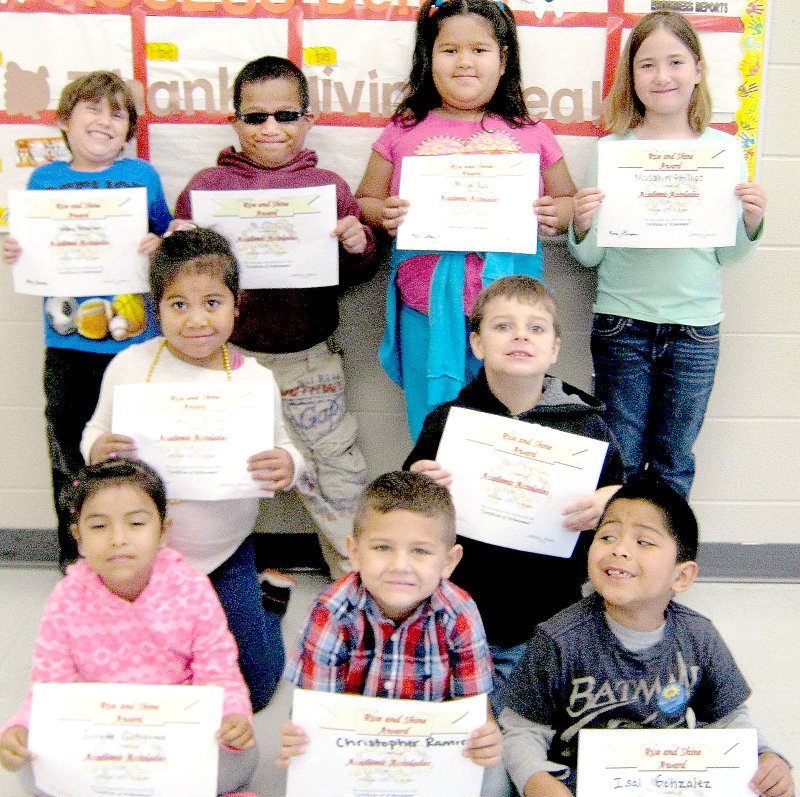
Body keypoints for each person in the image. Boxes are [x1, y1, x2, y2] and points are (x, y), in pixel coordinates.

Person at [80, 227, 306, 712]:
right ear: (156, 308)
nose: (196, 319)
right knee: (143, 682)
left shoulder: (254, 379)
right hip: (144, 561)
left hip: (225, 555)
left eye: (212, 302)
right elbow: (92, 430)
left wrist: (287, 464)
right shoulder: (128, 366)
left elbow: (285, 445)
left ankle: (267, 604)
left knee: (256, 690)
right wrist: (98, 447)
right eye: (178, 305)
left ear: (236, 304)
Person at [174, 56, 378, 578]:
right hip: (225, 361)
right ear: (234, 121)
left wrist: (358, 245)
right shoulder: (206, 189)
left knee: (336, 474)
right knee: (208, 470)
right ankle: (194, 584)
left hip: (309, 365)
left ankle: (357, 588)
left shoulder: (328, 187)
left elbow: (356, 275)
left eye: (286, 116)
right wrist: (171, 250)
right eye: (255, 117)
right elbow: (179, 286)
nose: (270, 128)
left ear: (308, 120)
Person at [567, 11, 768, 498]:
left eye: (675, 62)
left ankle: (663, 570)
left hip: (696, 328)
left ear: (698, 69)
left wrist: (753, 222)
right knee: (621, 461)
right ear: (631, 78)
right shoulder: (612, 150)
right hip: (622, 324)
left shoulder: (722, 150)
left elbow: (729, 255)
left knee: (675, 460)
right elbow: (591, 258)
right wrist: (581, 223)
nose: (662, 76)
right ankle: (617, 568)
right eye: (647, 65)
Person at [356, 0, 576, 440]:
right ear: (428, 57)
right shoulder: (403, 129)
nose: (465, 62)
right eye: (450, 50)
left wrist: (560, 213)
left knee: (504, 428)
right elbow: (365, 198)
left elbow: (567, 197)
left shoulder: (530, 131)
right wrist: (382, 213)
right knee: (433, 425)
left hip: (508, 312)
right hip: (424, 308)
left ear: (503, 59)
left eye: (479, 49)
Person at [497, 474, 795, 797]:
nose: (619, 550)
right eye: (607, 536)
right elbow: (521, 730)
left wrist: (765, 756)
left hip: (670, 784)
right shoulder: (559, 639)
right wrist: (537, 780)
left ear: (681, 576)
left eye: (643, 542)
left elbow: (729, 718)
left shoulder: (699, 636)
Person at [405, 275, 624, 689]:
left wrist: (611, 500)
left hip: (548, 612)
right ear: (477, 343)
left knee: (524, 729)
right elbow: (407, 511)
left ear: (555, 349)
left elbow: (624, 505)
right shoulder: (448, 422)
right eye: (503, 325)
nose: (520, 335)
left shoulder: (587, 427)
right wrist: (416, 484)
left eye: (536, 328)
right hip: (458, 612)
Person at [0, 459, 260, 797]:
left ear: (163, 531)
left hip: (174, 736)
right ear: (77, 536)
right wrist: (20, 729)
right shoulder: (66, 598)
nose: (118, 539)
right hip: (102, 737)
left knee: (242, 755)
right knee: (29, 766)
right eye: (98, 527)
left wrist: (233, 717)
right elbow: (51, 686)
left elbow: (218, 672)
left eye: (136, 523)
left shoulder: (192, 588)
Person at [1, 71, 172, 569]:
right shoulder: (43, 181)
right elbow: (23, 244)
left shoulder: (143, 176)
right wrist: (14, 247)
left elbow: (168, 242)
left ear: (130, 130)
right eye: (92, 109)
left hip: (139, 348)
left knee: (142, 456)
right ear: (63, 121)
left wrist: (160, 245)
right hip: (69, 348)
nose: (105, 121)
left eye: (118, 114)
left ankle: (148, 560)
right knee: (73, 459)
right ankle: (76, 564)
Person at [277, 471, 504, 794]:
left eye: (420, 551)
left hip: (428, 755)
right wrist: (303, 736)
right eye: (382, 547)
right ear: (354, 552)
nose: (400, 565)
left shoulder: (460, 612)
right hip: (354, 751)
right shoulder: (331, 610)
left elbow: (473, 706)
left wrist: (486, 734)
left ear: (449, 562)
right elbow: (316, 708)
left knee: (494, 779)